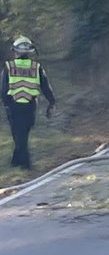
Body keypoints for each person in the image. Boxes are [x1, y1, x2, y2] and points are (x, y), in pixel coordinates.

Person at [1, 35, 56, 171]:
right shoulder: (37, 67)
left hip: (13, 105)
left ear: (16, 51)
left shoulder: (9, 67)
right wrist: (52, 102)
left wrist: (5, 104)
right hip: (30, 106)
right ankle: (18, 161)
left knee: (18, 134)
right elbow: (45, 87)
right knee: (23, 133)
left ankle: (25, 164)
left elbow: (3, 89)